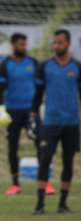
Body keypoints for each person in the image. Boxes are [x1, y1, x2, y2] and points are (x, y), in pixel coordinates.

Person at [0, 33, 55, 195]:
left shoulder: (33, 63)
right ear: (14, 45)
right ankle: (15, 184)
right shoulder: (5, 65)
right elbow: (0, 90)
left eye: (25, 44)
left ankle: (45, 183)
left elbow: (41, 86)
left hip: (32, 111)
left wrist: (40, 106)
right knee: (13, 146)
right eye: (21, 44)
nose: (24, 47)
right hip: (12, 111)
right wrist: (0, 108)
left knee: (41, 145)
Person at [30, 29, 81, 215]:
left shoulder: (77, 67)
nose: (56, 46)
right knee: (45, 160)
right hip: (50, 121)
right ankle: (40, 205)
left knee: (68, 162)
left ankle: (62, 204)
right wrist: (33, 115)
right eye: (55, 42)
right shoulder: (45, 66)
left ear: (68, 43)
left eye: (60, 42)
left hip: (71, 122)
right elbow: (38, 93)